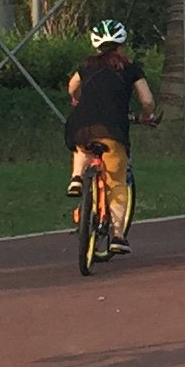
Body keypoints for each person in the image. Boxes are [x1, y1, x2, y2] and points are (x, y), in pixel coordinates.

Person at [64, 19, 158, 248]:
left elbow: (72, 86)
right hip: (113, 129)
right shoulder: (130, 68)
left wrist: (76, 100)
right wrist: (147, 115)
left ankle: (77, 178)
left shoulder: (86, 65)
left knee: (82, 146)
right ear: (121, 44)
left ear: (96, 45)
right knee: (116, 182)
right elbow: (147, 100)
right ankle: (117, 236)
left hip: (81, 125)